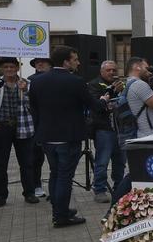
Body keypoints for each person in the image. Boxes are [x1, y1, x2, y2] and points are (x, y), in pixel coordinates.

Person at [27, 46, 95, 227]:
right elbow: (91, 104)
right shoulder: (76, 81)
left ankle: (59, 210)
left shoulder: (37, 82)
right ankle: (61, 216)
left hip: (47, 136)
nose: (78, 62)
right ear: (66, 62)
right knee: (65, 177)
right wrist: (103, 101)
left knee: (55, 174)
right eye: (75, 59)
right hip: (68, 137)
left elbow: (33, 108)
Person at [109, 57, 153, 204]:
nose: (149, 72)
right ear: (137, 67)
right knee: (137, 174)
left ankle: (135, 205)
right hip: (147, 136)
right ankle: (114, 206)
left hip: (142, 136)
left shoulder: (129, 84)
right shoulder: (139, 85)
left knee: (139, 173)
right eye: (147, 68)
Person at [0, 57, 39, 208]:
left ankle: (30, 192)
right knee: (0, 163)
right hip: (0, 127)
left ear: (17, 68)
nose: (9, 70)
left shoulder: (27, 84)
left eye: (12, 67)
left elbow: (35, 106)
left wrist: (25, 91)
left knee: (27, 162)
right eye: (6, 67)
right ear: (2, 69)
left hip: (23, 126)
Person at [88, 60, 125, 203]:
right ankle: (100, 189)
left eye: (114, 70)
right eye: (108, 70)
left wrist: (122, 91)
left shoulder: (122, 84)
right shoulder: (94, 84)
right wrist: (112, 91)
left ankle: (119, 188)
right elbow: (97, 104)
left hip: (120, 129)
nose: (112, 72)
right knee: (102, 161)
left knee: (120, 161)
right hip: (104, 129)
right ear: (101, 71)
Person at [29, 56, 52, 198]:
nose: (40, 64)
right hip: (35, 124)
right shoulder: (29, 80)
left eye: (43, 62)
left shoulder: (56, 79)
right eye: (37, 63)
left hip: (54, 124)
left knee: (56, 158)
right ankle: (36, 185)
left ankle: (57, 184)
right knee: (36, 158)